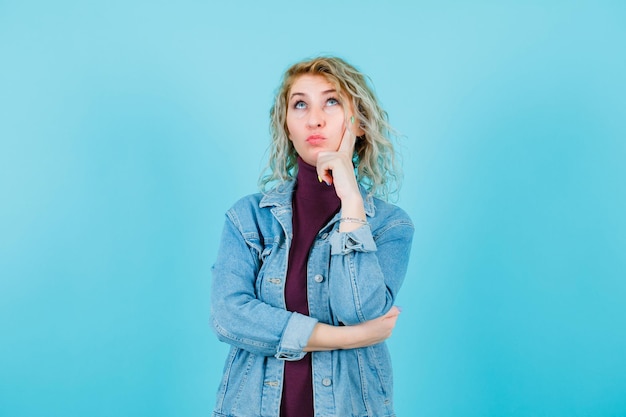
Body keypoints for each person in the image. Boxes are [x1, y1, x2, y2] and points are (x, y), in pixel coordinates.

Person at [210, 56, 414, 417]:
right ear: (287, 127)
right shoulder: (249, 218)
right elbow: (229, 316)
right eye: (300, 104)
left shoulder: (390, 226)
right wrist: (346, 339)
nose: (314, 118)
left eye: (332, 101)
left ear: (360, 124)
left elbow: (358, 310)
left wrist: (350, 200)